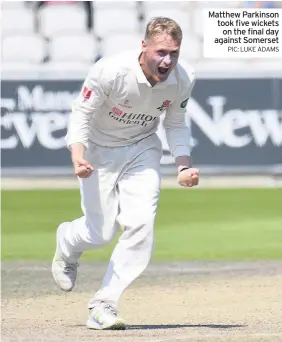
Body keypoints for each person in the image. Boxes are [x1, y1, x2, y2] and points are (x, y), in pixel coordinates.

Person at [52, 16, 200, 331]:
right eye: (161, 52)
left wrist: (183, 165)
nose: (167, 60)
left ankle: (103, 305)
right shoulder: (110, 71)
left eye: (173, 53)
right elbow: (82, 114)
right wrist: (78, 157)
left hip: (142, 148)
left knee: (142, 224)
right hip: (98, 152)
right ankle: (67, 240)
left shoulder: (183, 77)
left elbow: (174, 123)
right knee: (99, 233)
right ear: (143, 47)